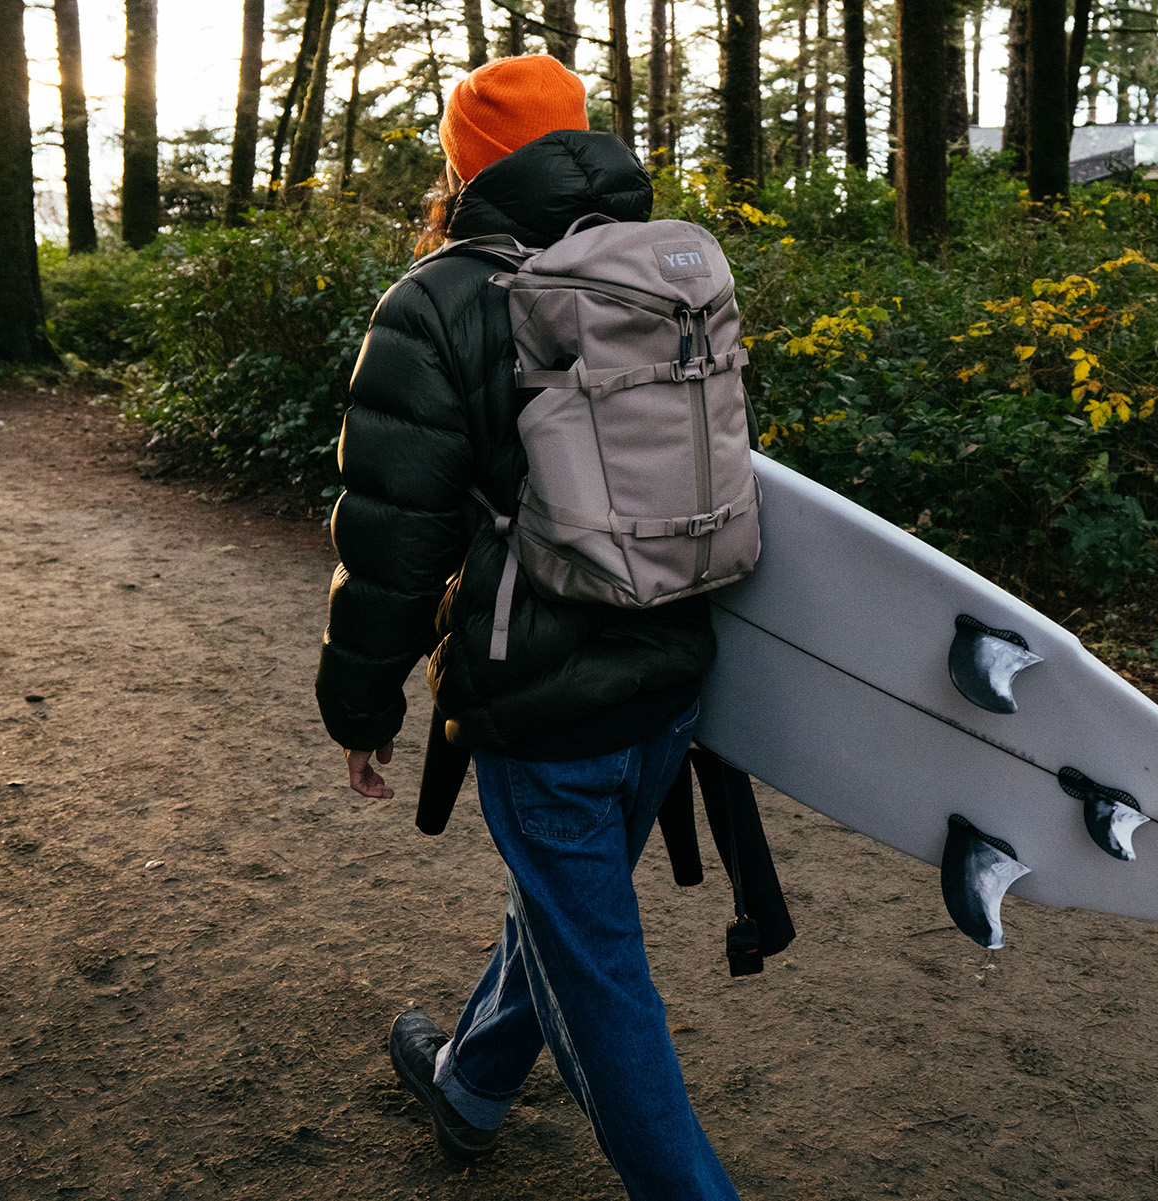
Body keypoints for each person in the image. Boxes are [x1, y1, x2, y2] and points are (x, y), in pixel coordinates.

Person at [314, 54, 741, 1201]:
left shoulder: (440, 299)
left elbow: (395, 535)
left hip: (539, 703)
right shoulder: (667, 273)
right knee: (566, 903)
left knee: (595, 968)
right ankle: (471, 1083)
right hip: (672, 676)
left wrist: (362, 705)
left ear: (463, 165)